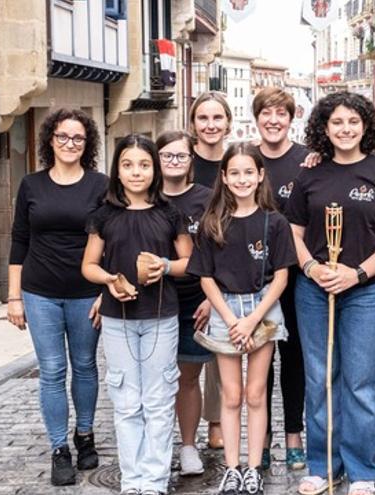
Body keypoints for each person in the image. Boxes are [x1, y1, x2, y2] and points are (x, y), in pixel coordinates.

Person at [286, 91, 375, 495]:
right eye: (337, 122)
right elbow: (293, 234)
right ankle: (324, 465)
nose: (345, 129)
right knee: (321, 379)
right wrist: (311, 267)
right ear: (324, 128)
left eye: (353, 122)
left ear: (366, 126)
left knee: (360, 383)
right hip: (314, 290)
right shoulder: (310, 174)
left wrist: (356, 274)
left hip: (368, 292)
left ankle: (361, 470)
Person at [81, 134, 191, 495]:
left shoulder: (169, 213)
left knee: (158, 401)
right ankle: (132, 481)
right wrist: (110, 280)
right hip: (118, 319)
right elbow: (89, 265)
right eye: (127, 165)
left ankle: (155, 480)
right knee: (127, 401)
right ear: (117, 170)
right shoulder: (104, 215)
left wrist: (165, 266)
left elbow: (189, 262)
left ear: (154, 169)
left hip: (161, 317)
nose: (136, 172)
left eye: (144, 165)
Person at [6, 108, 107, 486]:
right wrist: (14, 297)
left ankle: (85, 434)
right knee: (51, 370)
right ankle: (59, 448)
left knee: (85, 365)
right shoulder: (31, 185)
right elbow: (19, 240)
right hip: (40, 292)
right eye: (62, 136)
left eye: (78, 137)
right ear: (50, 140)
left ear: (87, 143)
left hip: (86, 292)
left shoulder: (100, 185)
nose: (70, 143)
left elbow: (111, 241)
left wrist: (106, 291)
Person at [189, 142, 297, 494]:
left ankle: (253, 467)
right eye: (234, 173)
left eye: (249, 172)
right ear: (223, 177)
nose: (242, 179)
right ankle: (232, 467)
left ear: (260, 175)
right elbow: (206, 277)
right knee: (232, 395)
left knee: (256, 392)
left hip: (263, 310)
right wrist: (230, 318)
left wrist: (252, 320)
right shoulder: (212, 223)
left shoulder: (274, 222)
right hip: (226, 310)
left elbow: (281, 277)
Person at [253, 87, 310, 471]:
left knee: (294, 359)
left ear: (291, 118)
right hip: (254, 278)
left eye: (281, 114)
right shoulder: (246, 158)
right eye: (267, 113)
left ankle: (293, 434)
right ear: (257, 117)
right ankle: (262, 436)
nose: (273, 121)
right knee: (261, 361)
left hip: (297, 277)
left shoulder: (308, 160)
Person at [156, 130, 214, 476]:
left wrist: (211, 297)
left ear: (191, 160)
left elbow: (220, 251)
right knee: (156, 380)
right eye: (167, 155)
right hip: (152, 302)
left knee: (188, 378)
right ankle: (157, 445)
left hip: (195, 302)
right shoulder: (144, 196)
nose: (174, 161)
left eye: (181, 155)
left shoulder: (207, 199)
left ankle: (189, 446)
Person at [187, 91, 233, 448]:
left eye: (217, 118)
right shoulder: (181, 161)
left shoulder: (235, 163)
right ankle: (183, 427)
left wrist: (214, 290)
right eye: (203, 118)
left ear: (228, 123)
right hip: (181, 272)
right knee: (183, 361)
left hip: (222, 273)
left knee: (220, 353)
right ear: (193, 123)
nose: (210, 125)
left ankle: (216, 421)